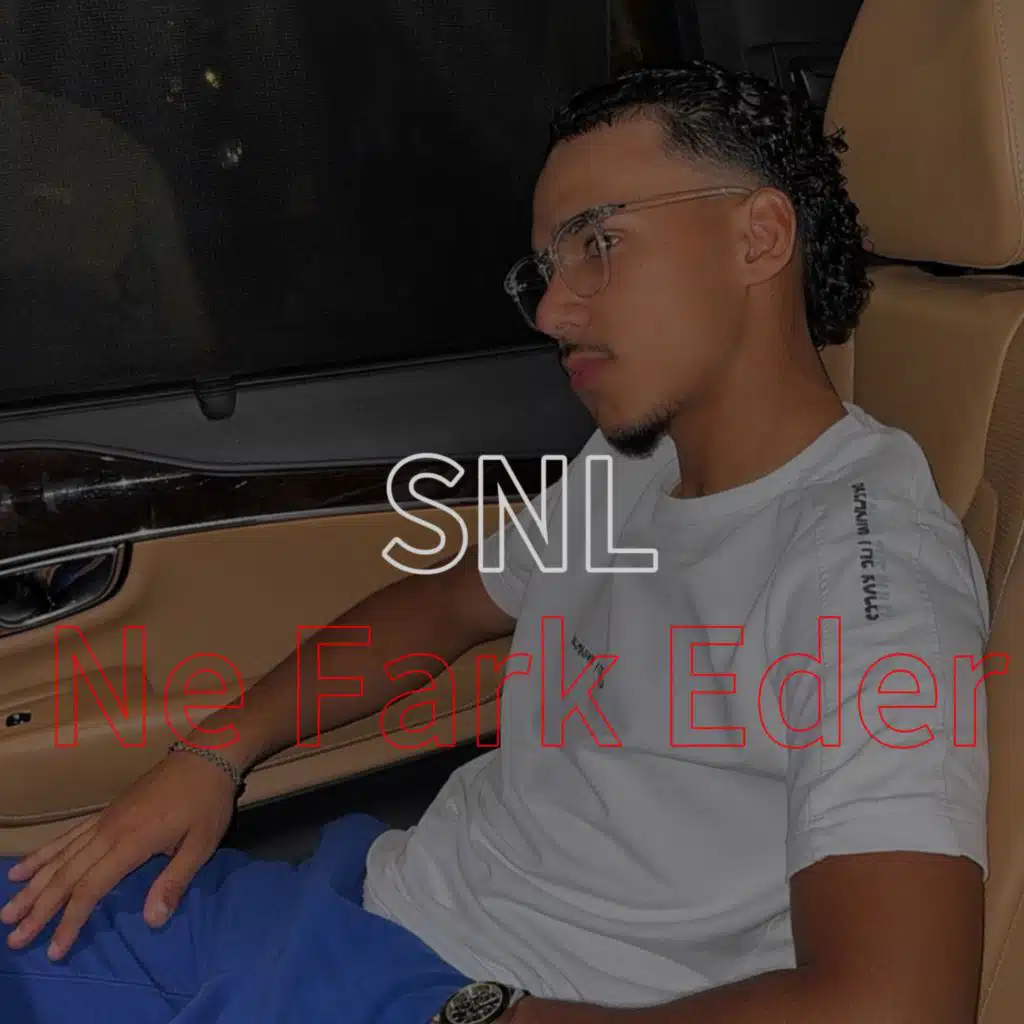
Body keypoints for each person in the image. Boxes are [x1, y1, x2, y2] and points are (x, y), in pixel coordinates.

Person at [0, 62, 990, 1024]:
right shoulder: (639, 461)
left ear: (758, 235)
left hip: (474, 993)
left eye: (598, 242)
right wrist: (215, 751)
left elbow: (897, 1002)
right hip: (361, 908)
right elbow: (444, 606)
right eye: (545, 270)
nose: (553, 311)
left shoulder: (867, 573)